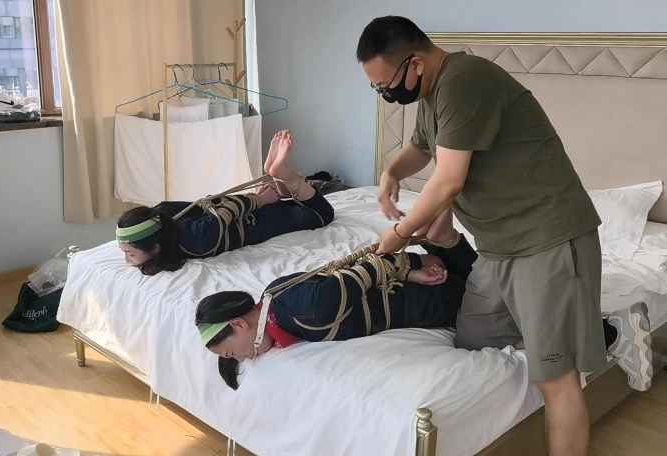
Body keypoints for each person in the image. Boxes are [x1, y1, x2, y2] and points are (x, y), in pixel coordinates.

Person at [356, 16, 653, 456]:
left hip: (547, 239)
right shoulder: (433, 92)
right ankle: (600, 330)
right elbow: (420, 147)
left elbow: (448, 179)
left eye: (385, 85)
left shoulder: (465, 80)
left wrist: (400, 233)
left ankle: (587, 338)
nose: (385, 93)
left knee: (556, 378)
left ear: (415, 64)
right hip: (497, 245)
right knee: (475, 339)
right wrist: (391, 173)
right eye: (377, 88)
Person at [195, 210, 650, 392]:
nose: (241, 359)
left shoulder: (304, 309)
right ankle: (445, 240)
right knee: (481, 279)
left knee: (484, 337)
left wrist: (410, 268)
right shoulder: (275, 298)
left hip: (437, 302)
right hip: (427, 286)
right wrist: (415, 263)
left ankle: (611, 331)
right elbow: (360, 271)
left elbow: (366, 268)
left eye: (232, 352)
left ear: (239, 323)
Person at [117, 130, 335, 275]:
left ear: (156, 248)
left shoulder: (192, 240)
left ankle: (282, 174)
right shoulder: (165, 216)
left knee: (322, 214)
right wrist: (257, 201)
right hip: (254, 215)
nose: (127, 260)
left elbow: (217, 209)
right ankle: (280, 173)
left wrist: (258, 200)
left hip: (260, 222)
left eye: (130, 253)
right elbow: (210, 205)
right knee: (301, 205)